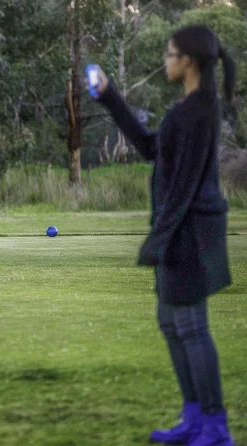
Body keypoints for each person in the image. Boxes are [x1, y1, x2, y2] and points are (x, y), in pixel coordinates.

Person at [90, 25, 235, 446]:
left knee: (191, 325)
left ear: (188, 60)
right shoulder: (189, 107)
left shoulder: (201, 110)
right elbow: (150, 147)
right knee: (172, 323)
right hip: (179, 229)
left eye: (170, 54)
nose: (166, 60)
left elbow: (186, 184)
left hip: (191, 230)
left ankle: (215, 428)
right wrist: (109, 95)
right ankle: (193, 420)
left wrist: (160, 237)